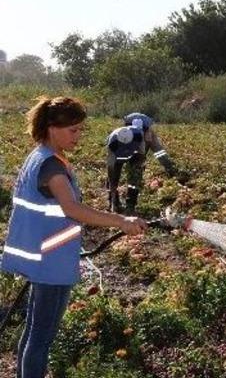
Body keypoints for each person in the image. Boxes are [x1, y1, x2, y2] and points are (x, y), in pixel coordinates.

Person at [1, 96, 147, 378]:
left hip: (45, 256)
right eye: (73, 130)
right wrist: (122, 221)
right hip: (50, 262)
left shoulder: (41, 156)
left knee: (34, 330)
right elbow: (73, 209)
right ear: (52, 128)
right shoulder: (52, 167)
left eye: (81, 129)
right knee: (41, 337)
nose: (78, 136)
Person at [107, 113, 185, 213]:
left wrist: (170, 168)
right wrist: (113, 194)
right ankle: (114, 202)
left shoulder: (144, 139)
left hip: (137, 154)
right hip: (119, 154)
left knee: (136, 175)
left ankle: (130, 205)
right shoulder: (114, 140)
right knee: (113, 176)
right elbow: (111, 168)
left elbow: (157, 153)